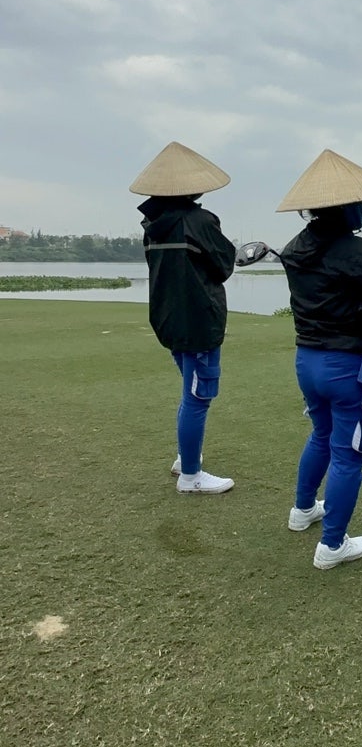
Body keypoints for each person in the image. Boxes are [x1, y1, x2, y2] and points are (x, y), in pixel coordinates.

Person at [277, 149, 362, 570]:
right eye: (359, 203)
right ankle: (332, 546)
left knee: (321, 434)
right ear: (347, 207)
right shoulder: (360, 252)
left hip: (307, 359)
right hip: (346, 365)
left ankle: (302, 510)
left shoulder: (295, 247)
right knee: (349, 454)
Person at [130, 141, 236, 494]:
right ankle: (190, 475)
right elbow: (223, 265)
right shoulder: (200, 220)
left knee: (190, 389)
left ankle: (185, 457)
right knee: (198, 395)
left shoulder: (152, 223)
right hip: (198, 320)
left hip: (167, 317)